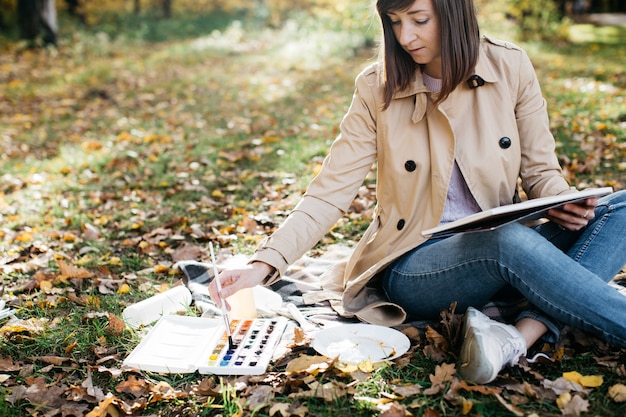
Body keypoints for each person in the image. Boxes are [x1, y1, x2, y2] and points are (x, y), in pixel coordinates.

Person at [209, 0, 626, 384]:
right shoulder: (377, 87)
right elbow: (328, 192)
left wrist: (564, 202)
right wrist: (263, 265)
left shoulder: (510, 66)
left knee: (619, 208)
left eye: (419, 20)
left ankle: (517, 337)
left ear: (453, 12)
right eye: (395, 22)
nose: (405, 37)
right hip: (415, 264)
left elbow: (542, 172)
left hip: (508, 242)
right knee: (505, 241)